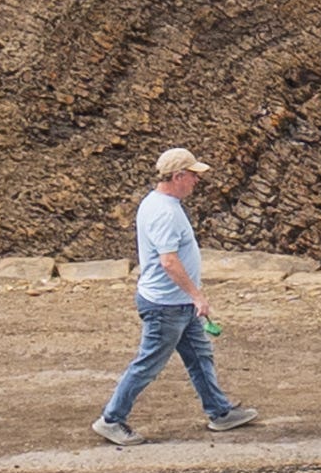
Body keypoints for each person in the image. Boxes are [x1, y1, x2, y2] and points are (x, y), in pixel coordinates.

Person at [93, 145, 260, 444]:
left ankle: (220, 413)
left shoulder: (158, 203)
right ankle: (111, 419)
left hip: (177, 304)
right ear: (179, 176)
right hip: (166, 306)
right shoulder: (165, 213)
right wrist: (198, 296)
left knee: (199, 356)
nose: (197, 182)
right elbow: (168, 261)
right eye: (194, 176)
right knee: (148, 364)